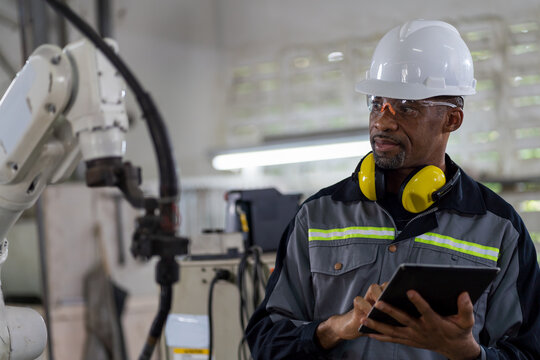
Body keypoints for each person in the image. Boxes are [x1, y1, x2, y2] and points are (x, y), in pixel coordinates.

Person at [245, 19, 540, 360]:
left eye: (406, 106)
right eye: (376, 103)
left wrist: (469, 354)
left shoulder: (499, 229)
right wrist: (334, 328)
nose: (382, 121)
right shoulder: (316, 217)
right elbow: (265, 344)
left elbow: (528, 353)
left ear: (452, 119)